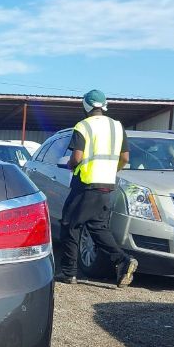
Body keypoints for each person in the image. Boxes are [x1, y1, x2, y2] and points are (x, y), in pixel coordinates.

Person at [56, 89, 138, 287]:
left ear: (85, 105)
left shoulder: (83, 126)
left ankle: (68, 272)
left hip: (86, 183)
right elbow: (125, 158)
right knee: (97, 227)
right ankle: (122, 260)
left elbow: (76, 157)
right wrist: (111, 170)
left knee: (70, 225)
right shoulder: (117, 127)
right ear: (104, 105)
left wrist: (71, 165)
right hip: (106, 184)